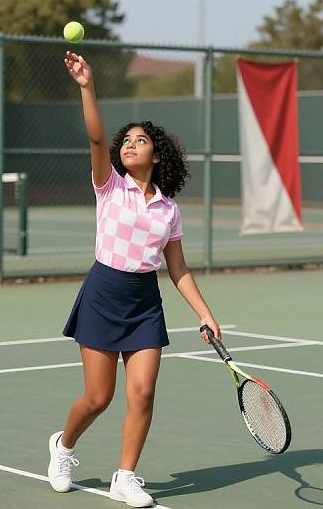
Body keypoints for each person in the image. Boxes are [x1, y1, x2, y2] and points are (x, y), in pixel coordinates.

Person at [47, 51, 221, 508]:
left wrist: (206, 314)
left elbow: (178, 270)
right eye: (125, 140)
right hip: (104, 292)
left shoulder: (168, 210)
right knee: (98, 397)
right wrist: (86, 86)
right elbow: (96, 135)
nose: (128, 144)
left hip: (144, 300)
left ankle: (125, 476)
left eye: (138, 140)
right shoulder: (109, 185)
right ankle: (63, 446)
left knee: (142, 392)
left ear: (155, 154)